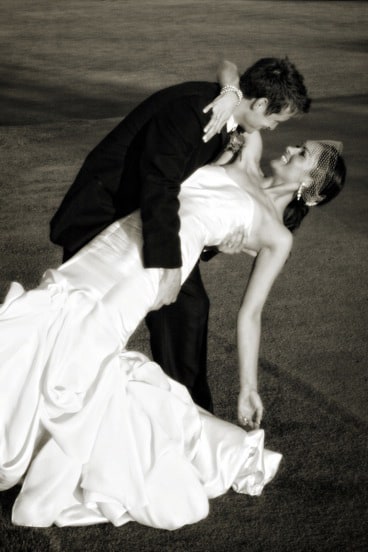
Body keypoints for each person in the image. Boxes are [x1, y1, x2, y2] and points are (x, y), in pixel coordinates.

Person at [0, 136, 345, 528]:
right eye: (298, 145)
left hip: (154, 270)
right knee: (54, 309)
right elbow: (238, 85)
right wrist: (231, 93)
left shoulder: (276, 236)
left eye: (302, 154)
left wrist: (248, 387)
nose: (289, 149)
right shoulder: (247, 155)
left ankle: (48, 468)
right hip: (123, 236)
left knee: (86, 350)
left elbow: (251, 313)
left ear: (310, 189)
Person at [49, 57, 311, 412]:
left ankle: (192, 417)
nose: (274, 129)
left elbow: (198, 199)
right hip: (107, 212)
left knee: (190, 309)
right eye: (273, 119)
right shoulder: (199, 111)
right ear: (261, 103)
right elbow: (160, 183)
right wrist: (169, 267)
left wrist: (212, 246)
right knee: (79, 316)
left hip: (163, 224)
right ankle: (59, 398)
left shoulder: (232, 120)